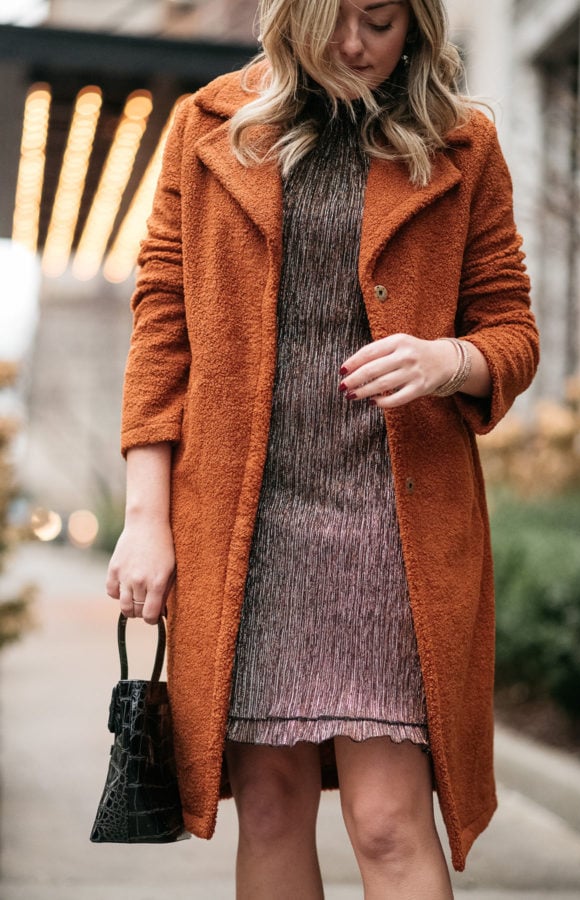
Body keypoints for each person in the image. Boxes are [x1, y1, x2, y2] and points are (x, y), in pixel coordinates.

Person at [106, 0, 539, 896]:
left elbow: (510, 326)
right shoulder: (208, 127)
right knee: (267, 806)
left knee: (386, 823)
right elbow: (161, 327)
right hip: (247, 534)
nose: (355, 45)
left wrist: (447, 359)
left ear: (417, 25)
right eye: (335, 21)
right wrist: (146, 518)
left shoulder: (462, 142)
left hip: (396, 529)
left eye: (380, 22)